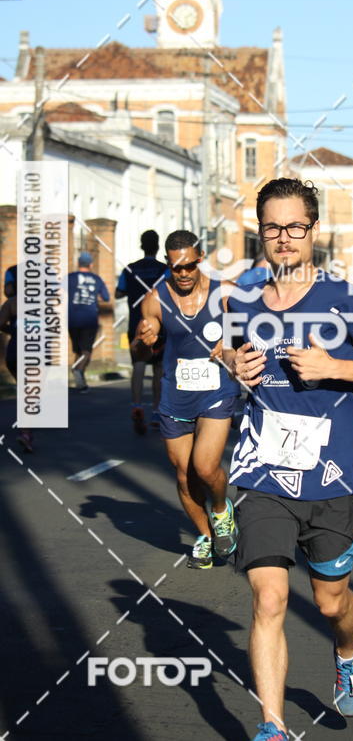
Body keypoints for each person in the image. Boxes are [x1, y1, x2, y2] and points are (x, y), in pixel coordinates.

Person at [222, 178, 353, 741]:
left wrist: (336, 368)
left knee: (331, 603)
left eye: (294, 227)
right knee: (269, 597)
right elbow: (224, 345)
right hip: (261, 474)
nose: (283, 238)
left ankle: (349, 652)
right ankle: (272, 726)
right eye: (272, 227)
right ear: (261, 231)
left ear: (313, 231)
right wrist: (232, 360)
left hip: (331, 478)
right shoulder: (243, 301)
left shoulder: (351, 301)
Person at [135, 229, 240, 570]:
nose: (182, 274)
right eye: (175, 267)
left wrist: (230, 342)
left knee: (205, 466)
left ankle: (222, 511)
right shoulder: (155, 297)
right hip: (175, 394)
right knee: (183, 475)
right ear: (168, 263)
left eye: (189, 267)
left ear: (200, 261)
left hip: (216, 390)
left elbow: (253, 329)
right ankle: (206, 536)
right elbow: (141, 346)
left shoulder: (224, 293)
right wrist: (144, 336)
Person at [116, 230, 168, 433]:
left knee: (138, 364)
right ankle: (156, 410)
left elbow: (118, 292)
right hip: (159, 324)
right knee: (158, 368)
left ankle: (136, 405)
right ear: (157, 247)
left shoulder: (130, 269)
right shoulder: (164, 269)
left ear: (141, 245)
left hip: (136, 323)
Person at [67, 252, 110, 392]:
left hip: (72, 319)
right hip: (90, 319)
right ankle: (78, 370)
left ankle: (81, 381)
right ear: (91, 265)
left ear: (78, 263)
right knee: (86, 350)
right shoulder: (96, 279)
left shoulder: (70, 278)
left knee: (78, 349)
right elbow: (106, 297)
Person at [0, 286, 33, 452]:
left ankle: (26, 430)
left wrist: (13, 330)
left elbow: (0, 323)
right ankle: (26, 433)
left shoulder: (12, 302)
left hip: (14, 352)